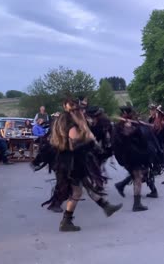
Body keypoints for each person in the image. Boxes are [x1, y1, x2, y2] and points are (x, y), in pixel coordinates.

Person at [45, 98, 122, 232]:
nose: (81, 111)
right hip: (72, 163)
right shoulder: (70, 123)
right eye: (79, 109)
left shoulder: (66, 119)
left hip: (72, 161)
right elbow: (74, 145)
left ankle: (106, 207)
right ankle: (66, 222)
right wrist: (90, 141)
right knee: (77, 192)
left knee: (87, 185)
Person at [114, 105, 164, 211]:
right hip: (133, 155)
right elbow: (130, 136)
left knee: (141, 173)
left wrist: (139, 125)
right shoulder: (124, 126)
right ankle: (137, 204)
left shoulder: (125, 125)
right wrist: (133, 127)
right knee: (138, 177)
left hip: (132, 155)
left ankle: (122, 185)